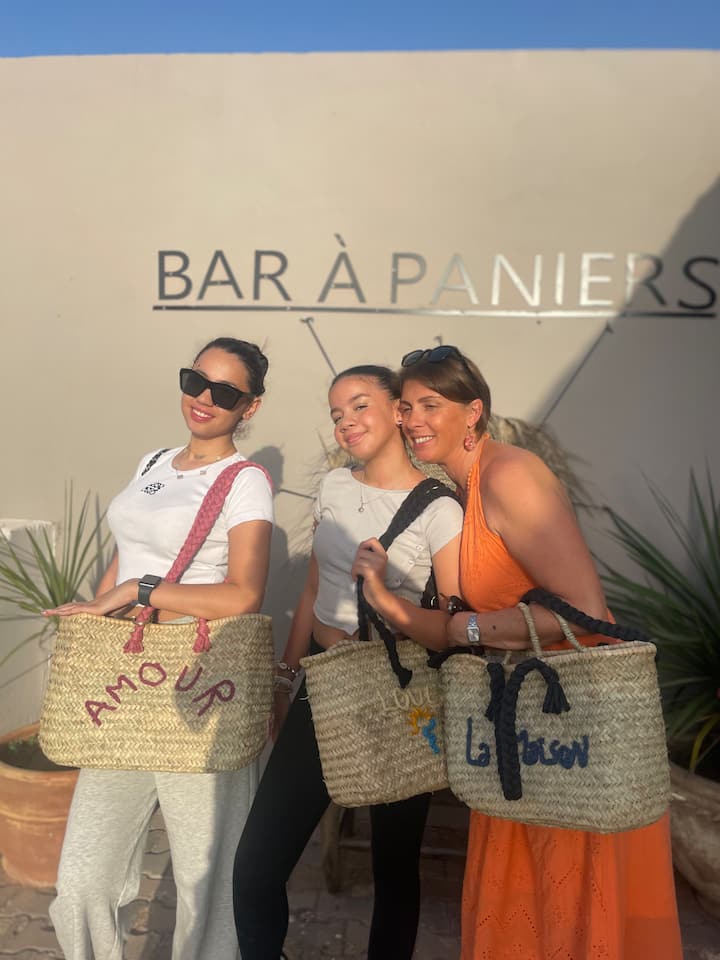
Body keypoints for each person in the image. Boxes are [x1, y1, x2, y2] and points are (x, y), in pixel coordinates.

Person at [398, 344, 683, 960]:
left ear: (473, 411)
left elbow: (583, 609)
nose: (412, 419)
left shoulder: (510, 476)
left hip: (571, 725)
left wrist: (466, 631)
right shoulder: (462, 487)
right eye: (405, 406)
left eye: (430, 404)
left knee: (569, 903)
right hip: (522, 721)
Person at [44, 337, 274, 960]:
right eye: (195, 381)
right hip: (124, 684)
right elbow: (127, 555)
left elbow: (244, 594)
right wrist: (100, 617)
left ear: (249, 407)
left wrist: (139, 591)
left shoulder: (245, 481)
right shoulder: (152, 463)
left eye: (224, 392)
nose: (204, 398)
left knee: (206, 883)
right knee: (83, 878)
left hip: (198, 685)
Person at [232, 364, 464, 960]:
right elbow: (315, 585)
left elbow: (450, 631)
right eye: (337, 414)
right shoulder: (335, 486)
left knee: (394, 867)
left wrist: (382, 595)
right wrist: (286, 678)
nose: (346, 422)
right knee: (256, 865)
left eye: (360, 406)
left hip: (398, 692)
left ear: (398, 412)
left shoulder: (441, 509)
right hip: (324, 682)